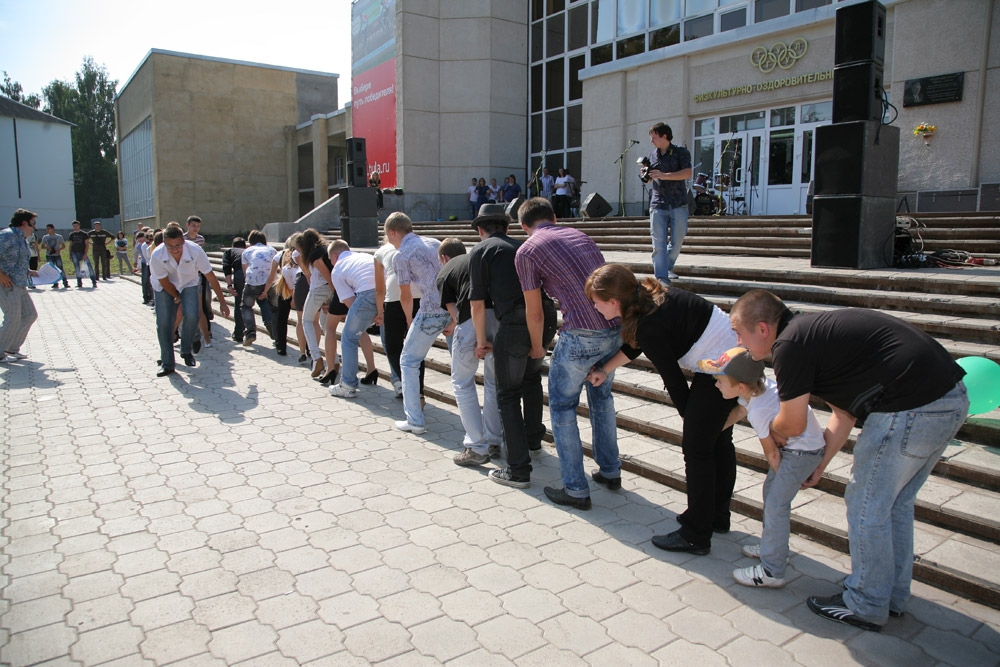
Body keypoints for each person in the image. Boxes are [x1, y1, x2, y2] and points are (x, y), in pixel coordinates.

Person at [729, 289, 969, 631]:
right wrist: (820, 463)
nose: (740, 342)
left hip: (910, 406)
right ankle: (891, 596)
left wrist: (771, 432)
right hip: (949, 397)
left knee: (866, 505)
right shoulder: (810, 334)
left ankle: (867, 603)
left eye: (740, 334)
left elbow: (792, 423)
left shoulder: (790, 345)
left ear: (763, 329)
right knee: (894, 505)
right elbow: (844, 414)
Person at [585, 263, 738, 549]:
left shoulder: (649, 325)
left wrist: (690, 421)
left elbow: (675, 382)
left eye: (597, 303)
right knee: (718, 441)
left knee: (698, 450)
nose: (596, 309)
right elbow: (635, 346)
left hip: (723, 366)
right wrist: (604, 369)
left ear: (614, 302)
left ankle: (696, 535)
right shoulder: (645, 298)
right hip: (731, 355)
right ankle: (716, 516)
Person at [514, 197, 620, 509]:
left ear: (523, 227)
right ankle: (611, 471)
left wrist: (538, 346)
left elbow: (535, 313)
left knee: (562, 407)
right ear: (555, 218)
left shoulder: (527, 250)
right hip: (613, 328)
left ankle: (575, 489)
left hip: (580, 334)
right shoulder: (581, 235)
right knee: (602, 399)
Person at [697, 347, 830, 588]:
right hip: (798, 450)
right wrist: (712, 432)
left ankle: (772, 570)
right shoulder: (760, 389)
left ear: (741, 387)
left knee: (776, 504)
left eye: (719, 381)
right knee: (771, 496)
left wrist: (786, 480)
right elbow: (739, 411)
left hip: (800, 454)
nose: (716, 385)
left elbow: (772, 453)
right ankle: (773, 546)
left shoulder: (759, 410)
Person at [469, 204, 557, 481]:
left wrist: (481, 341)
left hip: (516, 324)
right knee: (531, 380)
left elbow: (478, 305)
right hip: (545, 319)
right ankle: (533, 441)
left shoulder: (481, 250)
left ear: (481, 230)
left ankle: (517, 468)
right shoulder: (523, 244)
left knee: (507, 394)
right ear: (508, 228)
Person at [434, 235, 502, 465]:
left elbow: (455, 310)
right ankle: (493, 440)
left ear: (444, 258)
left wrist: (468, 334)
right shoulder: (476, 258)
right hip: (499, 318)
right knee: (493, 382)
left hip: (472, 317)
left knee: (462, 383)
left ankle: (476, 446)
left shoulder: (444, 272)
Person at [387, 212, 447, 435]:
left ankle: (414, 420)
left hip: (430, 310)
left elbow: (404, 294)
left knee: (408, 360)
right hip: (453, 309)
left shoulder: (401, 255)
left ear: (393, 232)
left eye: (388, 237)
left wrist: (410, 319)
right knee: (462, 372)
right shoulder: (435, 242)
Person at [149, 226, 230, 377]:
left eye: (178, 245)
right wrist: (177, 297)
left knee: (192, 314)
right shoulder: (157, 255)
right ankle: (167, 364)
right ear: (164, 243)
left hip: (189, 283)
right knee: (164, 323)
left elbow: (211, 277)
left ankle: (186, 350)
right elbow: (165, 282)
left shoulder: (195, 251)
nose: (174, 250)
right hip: (163, 287)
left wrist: (223, 302)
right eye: (170, 246)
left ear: (184, 241)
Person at [327, 240, 379, 398]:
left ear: (335, 255)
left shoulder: (337, 269)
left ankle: (348, 385)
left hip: (366, 295)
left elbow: (350, 303)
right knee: (389, 338)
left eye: (330, 260)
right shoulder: (364, 256)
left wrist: (365, 316)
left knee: (349, 337)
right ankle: (398, 384)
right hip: (387, 291)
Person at [646, 122, 692, 284]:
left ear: (664, 136)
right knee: (658, 242)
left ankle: (667, 266)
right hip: (658, 203)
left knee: (678, 239)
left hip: (678, 202)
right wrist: (647, 175)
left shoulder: (681, 152)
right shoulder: (652, 156)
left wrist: (665, 175)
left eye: (654, 137)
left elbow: (687, 173)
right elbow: (651, 177)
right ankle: (662, 277)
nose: (652, 141)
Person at [0, 209, 41, 363]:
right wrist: (1, 275)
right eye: (33, 224)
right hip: (6, 284)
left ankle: (11, 348)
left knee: (30, 315)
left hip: (20, 284)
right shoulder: (6, 235)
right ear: (24, 223)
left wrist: (29, 271)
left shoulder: (21, 239)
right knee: (12, 318)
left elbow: (15, 261)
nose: (34, 227)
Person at [296, 229, 333, 378]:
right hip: (328, 290)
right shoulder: (325, 250)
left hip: (319, 289)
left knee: (306, 320)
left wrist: (333, 293)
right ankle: (334, 362)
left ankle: (316, 358)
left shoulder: (314, 255)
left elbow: (326, 276)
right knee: (326, 325)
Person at [373, 240, 405, 397]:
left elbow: (380, 290)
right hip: (417, 299)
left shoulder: (382, 253)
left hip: (392, 302)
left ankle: (399, 381)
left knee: (391, 345)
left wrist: (380, 313)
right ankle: (408, 385)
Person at [240, 230, 276, 347]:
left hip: (253, 282)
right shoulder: (272, 250)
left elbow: (246, 272)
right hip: (270, 281)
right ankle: (274, 330)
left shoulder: (247, 251)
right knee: (272, 306)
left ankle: (250, 332)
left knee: (246, 306)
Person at [222, 238, 247, 342]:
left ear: (233, 245)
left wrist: (230, 286)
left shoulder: (229, 252)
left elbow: (227, 269)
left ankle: (238, 334)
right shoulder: (247, 251)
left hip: (240, 275)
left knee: (239, 304)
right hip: (255, 273)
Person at [68, 220, 96, 289]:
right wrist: (70, 254)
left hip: (82, 252)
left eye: (76, 226)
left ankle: (94, 281)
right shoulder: (72, 234)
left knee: (89, 267)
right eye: (74, 226)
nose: (75, 227)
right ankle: (79, 282)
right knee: (77, 268)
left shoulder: (84, 234)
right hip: (74, 252)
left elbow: (87, 244)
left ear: (79, 226)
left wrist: (85, 254)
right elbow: (70, 245)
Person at [40, 224, 70, 289]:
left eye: (48, 229)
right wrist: (47, 248)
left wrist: (59, 249)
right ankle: (55, 283)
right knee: (52, 270)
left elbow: (64, 246)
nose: (47, 230)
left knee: (60, 268)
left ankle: (65, 282)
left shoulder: (59, 236)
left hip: (57, 255)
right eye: (47, 229)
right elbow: (42, 246)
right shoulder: (45, 237)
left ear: (52, 229)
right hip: (49, 255)